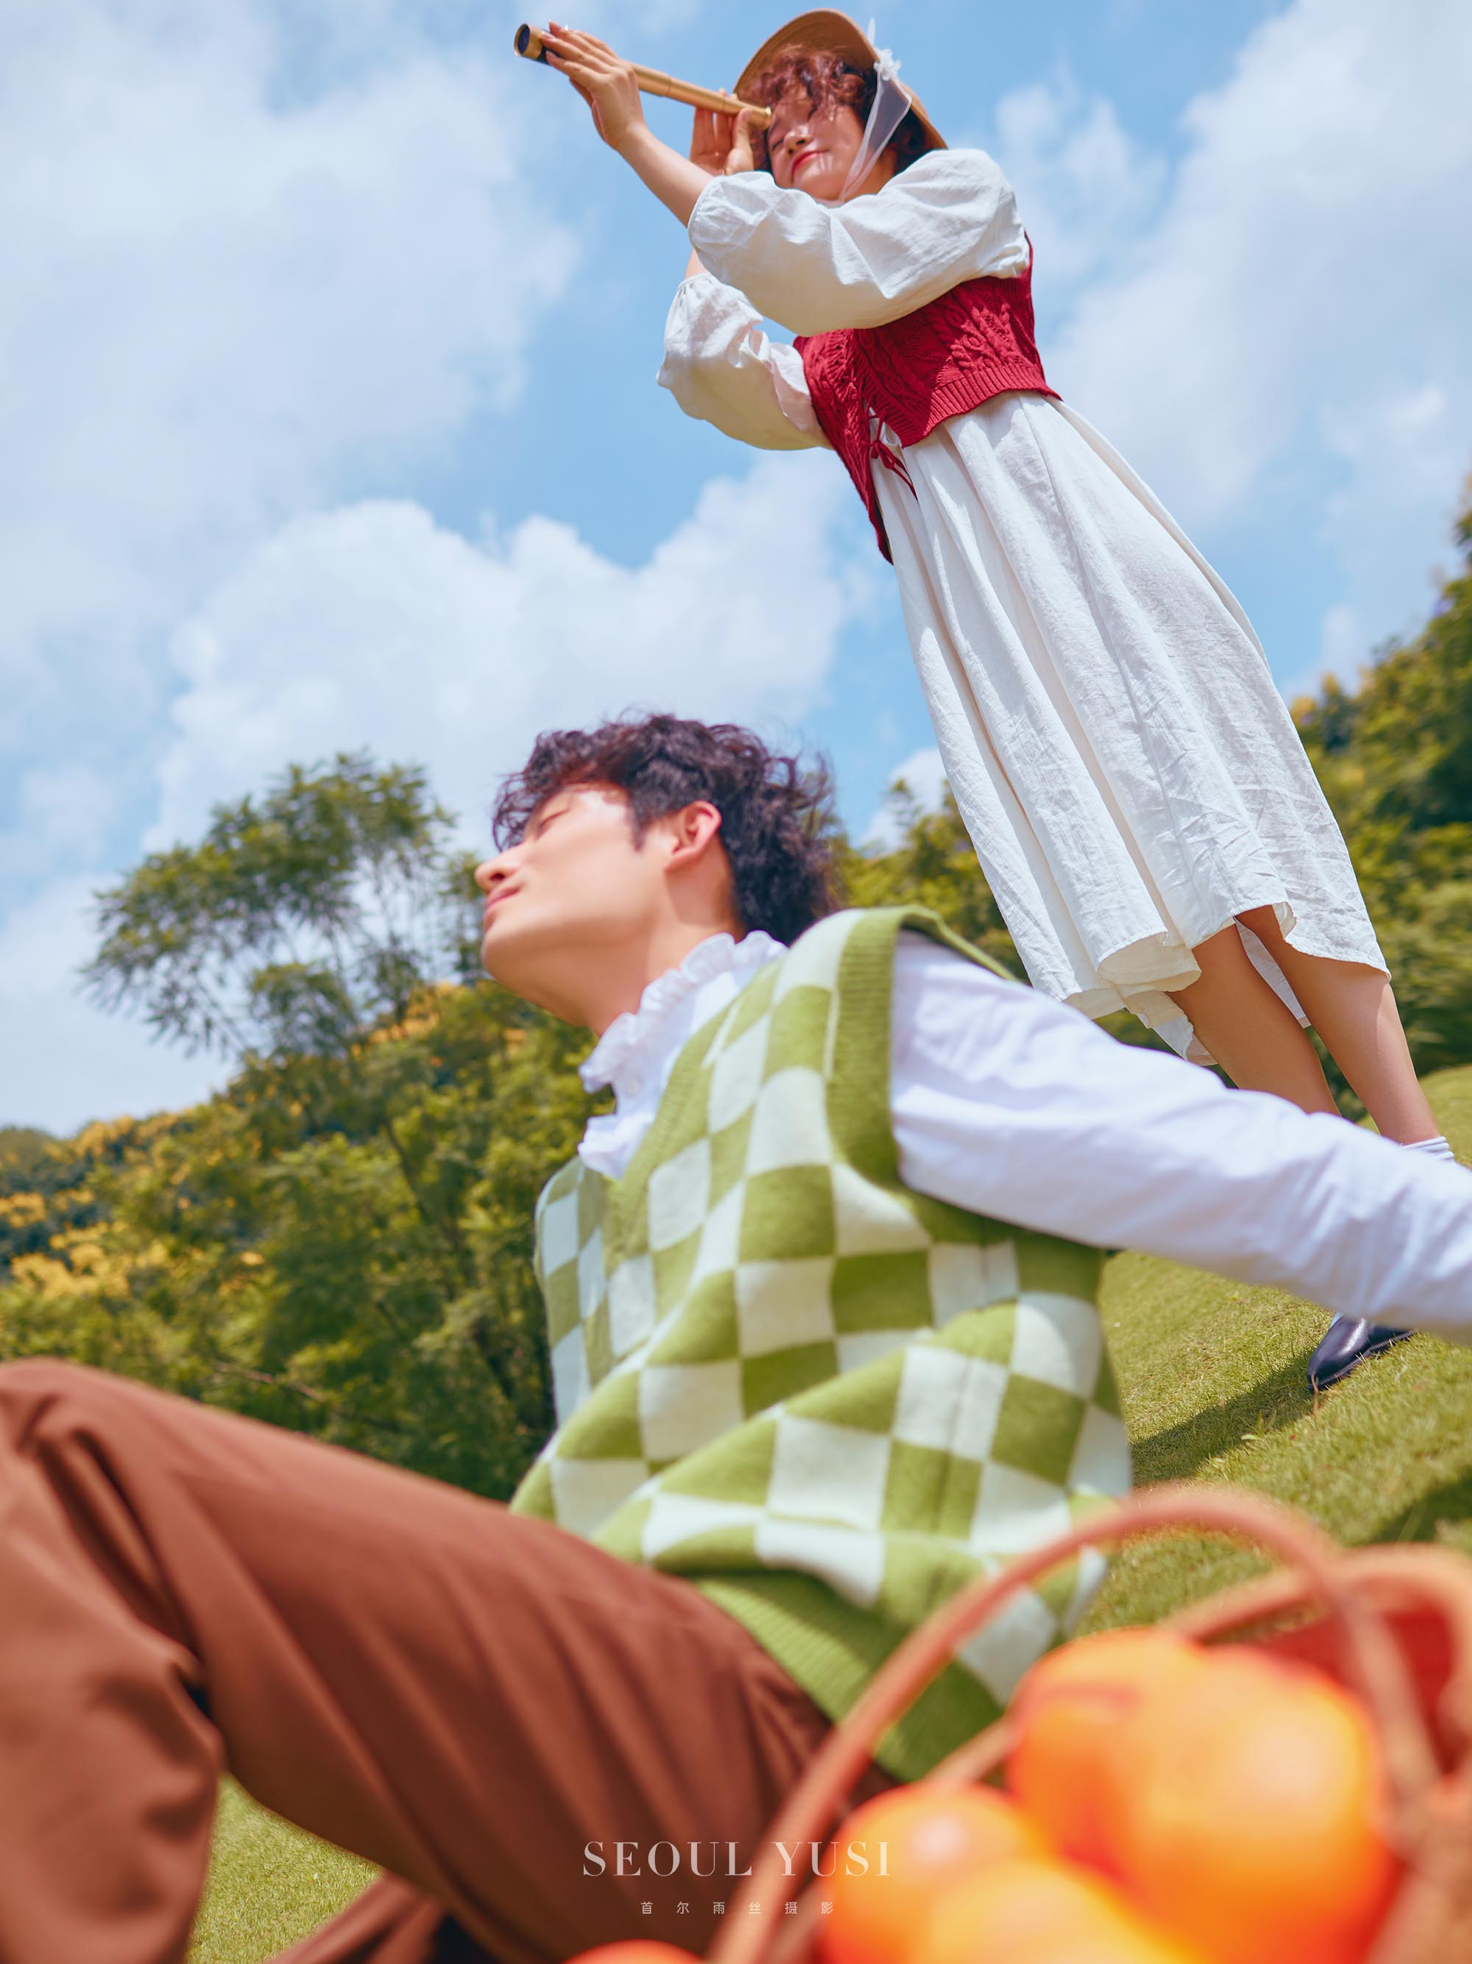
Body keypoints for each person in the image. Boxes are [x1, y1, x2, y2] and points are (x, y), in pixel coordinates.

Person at [3, 711, 1471, 1964]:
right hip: (650, 1770)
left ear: (685, 833)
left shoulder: (854, 1003)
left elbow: (1275, 1182)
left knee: (49, 1451)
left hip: (822, 1747)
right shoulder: (573, 1206)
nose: (491, 864)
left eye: (544, 825)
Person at [534, 13, 1460, 1387]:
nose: (789, 126)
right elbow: (715, 369)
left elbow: (818, 267)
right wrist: (704, 183)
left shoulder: (958, 200)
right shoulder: (822, 340)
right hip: (984, 629)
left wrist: (638, 151)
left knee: (1236, 845)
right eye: (769, 116)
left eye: (813, 96)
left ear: (884, 107)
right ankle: (1368, 1236)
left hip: (1077, 556)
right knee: (1170, 918)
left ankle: (1424, 1163)